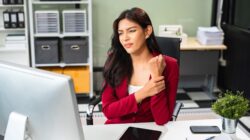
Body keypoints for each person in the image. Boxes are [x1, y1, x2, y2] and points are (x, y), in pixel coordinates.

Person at [101, 7, 179, 125]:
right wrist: (143, 93)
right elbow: (109, 111)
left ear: (147, 31)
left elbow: (161, 119)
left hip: (150, 131)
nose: (125, 38)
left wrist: (156, 76)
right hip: (117, 128)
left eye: (131, 31)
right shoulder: (114, 61)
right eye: (120, 33)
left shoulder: (170, 65)